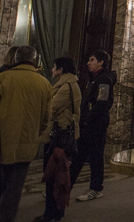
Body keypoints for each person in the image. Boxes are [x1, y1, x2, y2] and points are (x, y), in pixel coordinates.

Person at [0, 45, 52, 221]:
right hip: (27, 144)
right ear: (34, 60)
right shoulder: (44, 83)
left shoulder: (4, 78)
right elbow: (46, 118)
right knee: (14, 191)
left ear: (15, 59)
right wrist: (35, 133)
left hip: (2, 141)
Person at [38, 56, 81, 222]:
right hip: (58, 135)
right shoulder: (68, 85)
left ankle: (52, 213)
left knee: (53, 176)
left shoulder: (66, 87)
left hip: (58, 137)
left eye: (54, 67)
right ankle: (54, 212)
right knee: (56, 175)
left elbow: (51, 109)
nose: (52, 69)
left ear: (61, 69)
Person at [71, 49, 115, 202]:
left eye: (92, 60)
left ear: (101, 62)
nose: (88, 63)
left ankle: (96, 188)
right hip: (88, 123)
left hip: (96, 124)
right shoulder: (94, 78)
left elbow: (102, 103)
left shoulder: (103, 80)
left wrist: (88, 118)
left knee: (95, 157)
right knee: (80, 155)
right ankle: (64, 187)